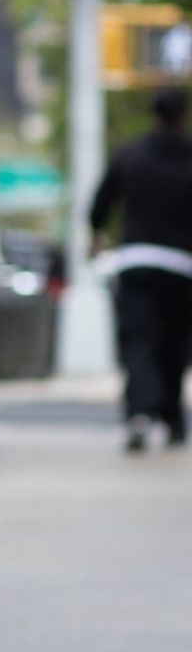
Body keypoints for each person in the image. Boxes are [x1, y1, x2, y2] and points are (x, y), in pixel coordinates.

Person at [90, 85, 192, 450]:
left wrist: (96, 234)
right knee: (175, 343)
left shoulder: (130, 153)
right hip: (182, 267)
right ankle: (173, 419)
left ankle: (139, 412)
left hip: (136, 262)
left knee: (138, 340)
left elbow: (101, 202)